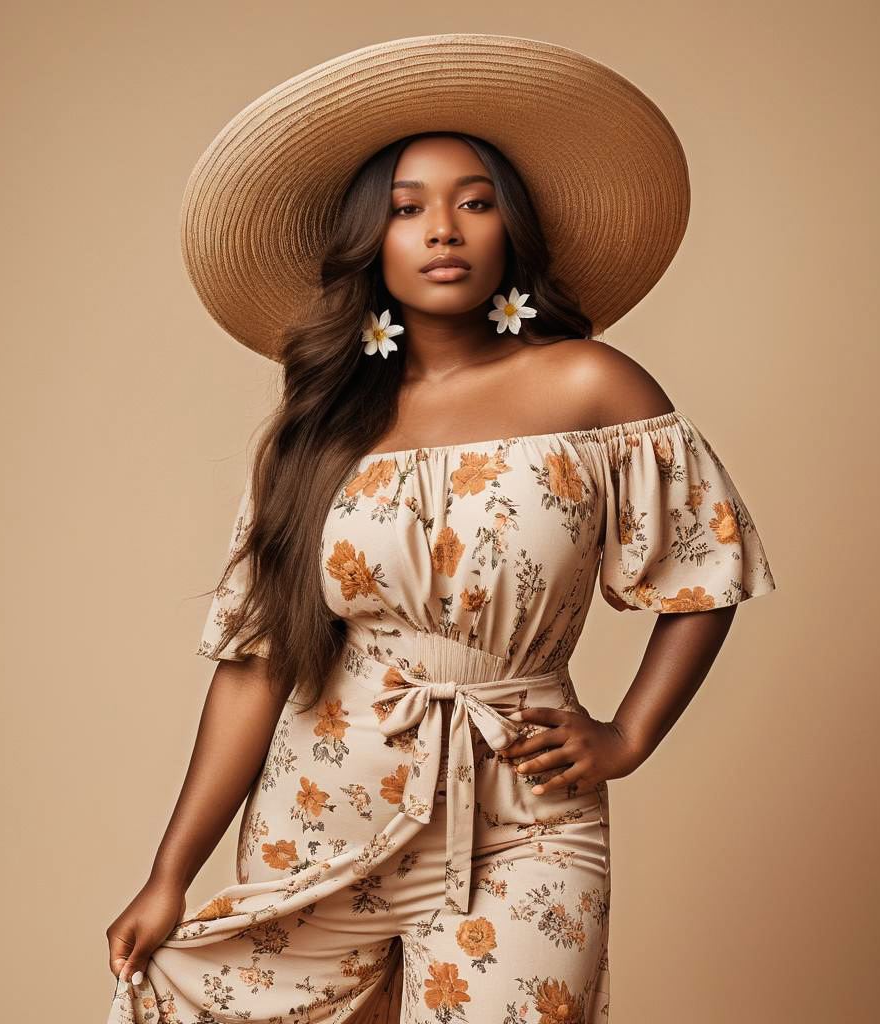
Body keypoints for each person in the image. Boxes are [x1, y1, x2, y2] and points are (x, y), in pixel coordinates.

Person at [105, 33, 776, 1023]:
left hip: (526, 815)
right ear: (370, 242)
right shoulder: (317, 427)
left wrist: (626, 734)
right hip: (322, 811)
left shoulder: (590, 385)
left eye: (474, 199)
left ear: (512, 227)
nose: (443, 230)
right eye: (407, 209)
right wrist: (170, 871)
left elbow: (703, 569)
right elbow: (255, 664)